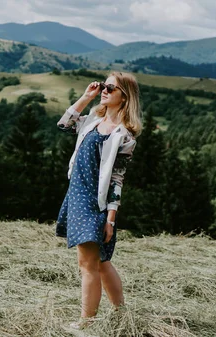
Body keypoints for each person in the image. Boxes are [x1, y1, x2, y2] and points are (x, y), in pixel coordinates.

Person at [56, 71, 142, 329]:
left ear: (125, 97)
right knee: (101, 262)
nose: (104, 90)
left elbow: (117, 180)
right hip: (77, 195)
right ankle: (121, 315)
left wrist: (111, 220)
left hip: (95, 203)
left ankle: (86, 323)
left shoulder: (123, 135)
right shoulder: (92, 120)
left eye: (111, 88)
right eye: (104, 86)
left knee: (88, 264)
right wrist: (86, 96)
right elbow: (64, 124)